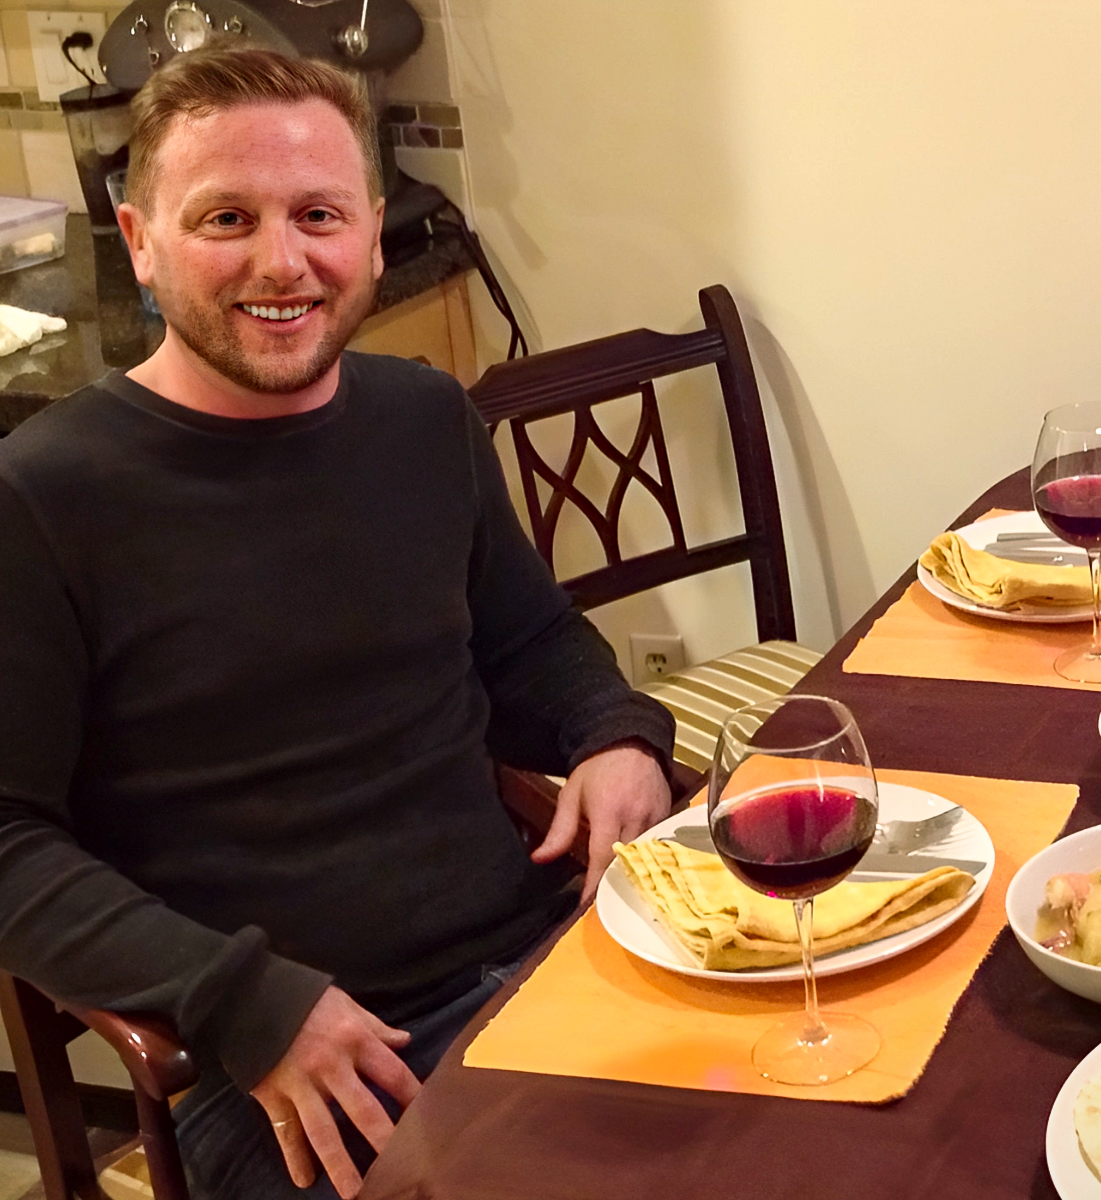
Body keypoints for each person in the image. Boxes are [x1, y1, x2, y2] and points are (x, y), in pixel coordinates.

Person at [0, 47, 676, 1200]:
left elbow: (530, 647)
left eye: (318, 213)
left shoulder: (423, 418)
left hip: (537, 960)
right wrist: (246, 1006)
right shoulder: (43, 495)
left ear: (371, 229)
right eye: (226, 217)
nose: (283, 260)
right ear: (140, 241)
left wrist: (613, 733)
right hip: (276, 1067)